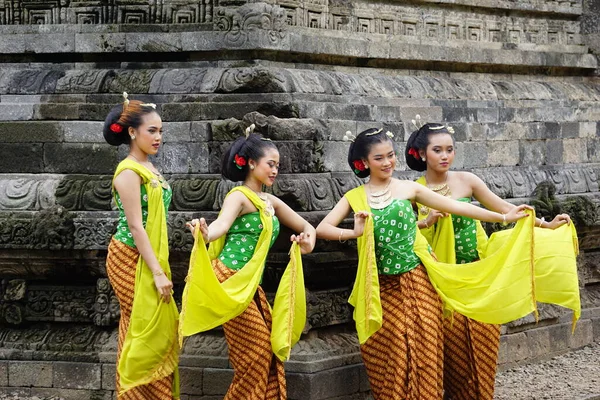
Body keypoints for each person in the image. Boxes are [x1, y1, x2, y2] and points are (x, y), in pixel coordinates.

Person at [315, 128, 531, 400]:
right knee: (389, 359)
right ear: (364, 163)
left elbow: (459, 208)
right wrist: (354, 233)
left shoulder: (409, 188)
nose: (387, 163)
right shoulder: (354, 197)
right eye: (379, 158)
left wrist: (504, 217)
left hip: (418, 283)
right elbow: (323, 228)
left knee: (427, 356)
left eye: (391, 156)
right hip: (380, 288)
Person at [405, 122, 571, 400]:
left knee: (482, 348)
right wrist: (427, 221)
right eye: (437, 150)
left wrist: (547, 225)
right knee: (450, 353)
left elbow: (506, 209)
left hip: (480, 275)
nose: (445, 156)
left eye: (450, 149)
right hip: (441, 280)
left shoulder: (467, 180)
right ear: (422, 154)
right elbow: (406, 232)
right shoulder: (413, 190)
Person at [181, 128, 316, 400]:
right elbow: (220, 226)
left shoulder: (271, 201)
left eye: (278, 165)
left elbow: (306, 226)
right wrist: (204, 233)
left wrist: (306, 243)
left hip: (251, 286)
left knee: (263, 355)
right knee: (255, 356)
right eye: (270, 164)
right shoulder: (239, 196)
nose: (275, 170)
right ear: (252, 163)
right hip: (230, 280)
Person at [104, 93, 180, 399]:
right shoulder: (128, 172)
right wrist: (158, 273)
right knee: (142, 326)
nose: (158, 137)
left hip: (150, 257)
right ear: (132, 132)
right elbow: (136, 226)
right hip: (128, 257)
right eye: (152, 130)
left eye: (161, 131)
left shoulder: (151, 169)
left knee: (148, 326)